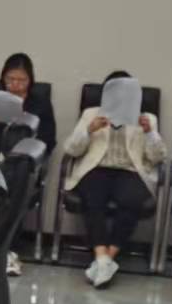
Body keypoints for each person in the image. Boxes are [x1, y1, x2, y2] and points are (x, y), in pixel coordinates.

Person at [62, 70, 166, 288]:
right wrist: (89, 130)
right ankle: (102, 258)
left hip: (130, 170)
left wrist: (150, 133)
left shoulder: (146, 118)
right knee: (93, 197)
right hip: (96, 168)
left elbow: (157, 157)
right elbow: (71, 149)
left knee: (131, 200)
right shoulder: (91, 114)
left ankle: (106, 259)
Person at [0, 53, 57, 162]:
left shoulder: (41, 104)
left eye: (22, 80)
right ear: (3, 77)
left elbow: (49, 141)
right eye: (10, 79)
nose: (15, 84)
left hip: (24, 161)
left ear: (30, 80)